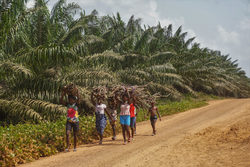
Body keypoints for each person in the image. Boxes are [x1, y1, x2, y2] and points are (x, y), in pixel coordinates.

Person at [60, 88, 80, 152]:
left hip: (75, 121)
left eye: (71, 99)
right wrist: (63, 94)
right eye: (69, 99)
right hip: (69, 121)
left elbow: (79, 99)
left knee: (75, 134)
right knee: (67, 133)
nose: (70, 101)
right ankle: (68, 146)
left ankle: (75, 147)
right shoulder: (67, 104)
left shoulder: (76, 105)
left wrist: (77, 92)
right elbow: (61, 101)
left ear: (74, 100)